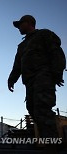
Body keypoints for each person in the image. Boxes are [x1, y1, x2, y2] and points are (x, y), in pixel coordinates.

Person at [8, 15, 66, 147]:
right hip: (29, 81)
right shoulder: (22, 46)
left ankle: (53, 146)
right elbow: (17, 65)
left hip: (43, 77)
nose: (18, 28)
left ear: (29, 23)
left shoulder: (44, 34)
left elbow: (56, 53)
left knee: (43, 109)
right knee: (32, 109)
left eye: (20, 24)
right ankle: (49, 142)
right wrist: (12, 79)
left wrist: (57, 73)